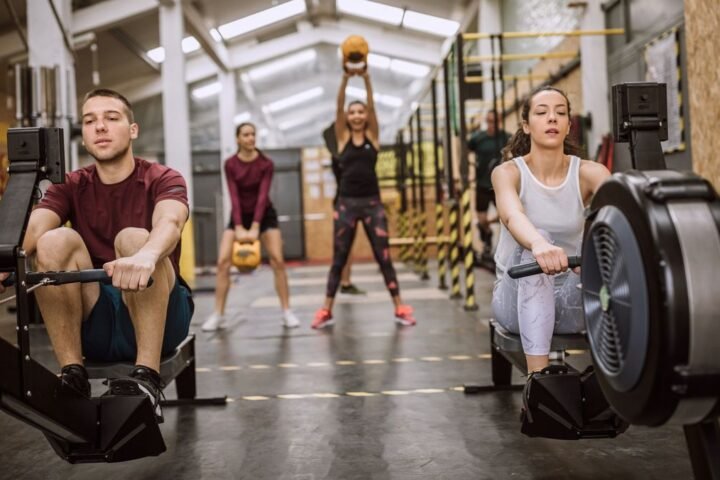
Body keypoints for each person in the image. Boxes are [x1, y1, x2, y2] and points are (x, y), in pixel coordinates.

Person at [0, 88, 193, 422]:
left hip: (160, 316)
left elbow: (171, 221)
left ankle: (147, 377)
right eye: (90, 121)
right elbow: (32, 231)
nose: (100, 127)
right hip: (97, 321)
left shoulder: (162, 177)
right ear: (84, 137)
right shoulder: (71, 184)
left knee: (132, 238)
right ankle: (72, 373)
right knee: (52, 240)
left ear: (132, 130)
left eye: (111, 118)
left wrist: (146, 255)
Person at [491, 86, 610, 373]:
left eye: (560, 113)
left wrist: (595, 257)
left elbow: (619, 219)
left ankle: (619, 386)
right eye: (542, 113)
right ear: (526, 126)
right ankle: (538, 387)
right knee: (539, 243)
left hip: (571, 301)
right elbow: (511, 215)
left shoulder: (591, 174)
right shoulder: (508, 173)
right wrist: (538, 244)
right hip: (515, 300)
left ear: (569, 125)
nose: (552, 118)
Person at [312, 69, 415, 329]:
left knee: (384, 257)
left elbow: (372, 106)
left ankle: (400, 307)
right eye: (352, 112)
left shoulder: (373, 137)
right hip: (346, 204)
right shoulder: (343, 138)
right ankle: (326, 310)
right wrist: (346, 78)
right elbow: (338, 106)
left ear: (366, 116)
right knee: (339, 258)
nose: (357, 115)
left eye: (361, 112)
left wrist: (367, 79)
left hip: (372, 204)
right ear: (347, 118)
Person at [202, 122, 300, 331]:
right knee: (222, 263)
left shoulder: (266, 163)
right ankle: (218, 314)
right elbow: (234, 195)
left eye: (253, 134)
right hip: (239, 215)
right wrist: (238, 225)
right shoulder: (230, 164)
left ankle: (287, 312)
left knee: (278, 261)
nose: (250, 138)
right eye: (246, 135)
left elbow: (263, 195)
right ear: (238, 138)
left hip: (264, 215)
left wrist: (255, 225)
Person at [322, 122, 365, 295]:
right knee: (343, 245)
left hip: (355, 199)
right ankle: (343, 282)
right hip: (343, 201)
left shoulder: (347, 153)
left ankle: (346, 281)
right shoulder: (340, 155)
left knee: (346, 245)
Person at [468, 110, 510, 262]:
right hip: (482, 184)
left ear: (499, 121)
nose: (492, 125)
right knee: (481, 219)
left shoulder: (506, 138)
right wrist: (465, 171)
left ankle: (506, 250)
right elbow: (464, 149)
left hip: (500, 185)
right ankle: (487, 234)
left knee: (507, 215)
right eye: (489, 121)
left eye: (495, 121)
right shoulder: (478, 138)